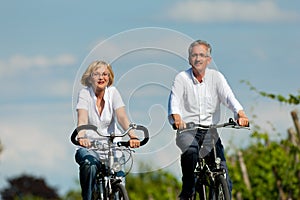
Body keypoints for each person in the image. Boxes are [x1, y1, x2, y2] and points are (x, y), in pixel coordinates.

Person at [168, 40, 249, 200]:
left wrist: (240, 113)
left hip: (210, 131)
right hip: (188, 130)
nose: (198, 59)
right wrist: (177, 118)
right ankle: (188, 190)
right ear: (189, 59)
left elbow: (228, 97)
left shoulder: (216, 77)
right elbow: (174, 102)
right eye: (194, 55)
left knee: (222, 174)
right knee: (190, 151)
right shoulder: (181, 78)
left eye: (202, 55)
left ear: (208, 59)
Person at [74, 60, 140, 200]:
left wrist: (132, 136)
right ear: (90, 77)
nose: (101, 77)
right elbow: (82, 119)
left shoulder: (113, 93)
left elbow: (121, 116)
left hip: (112, 147)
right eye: (96, 74)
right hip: (90, 146)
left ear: (109, 78)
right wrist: (82, 136)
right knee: (89, 164)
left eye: (105, 74)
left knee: (119, 183)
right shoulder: (85, 94)